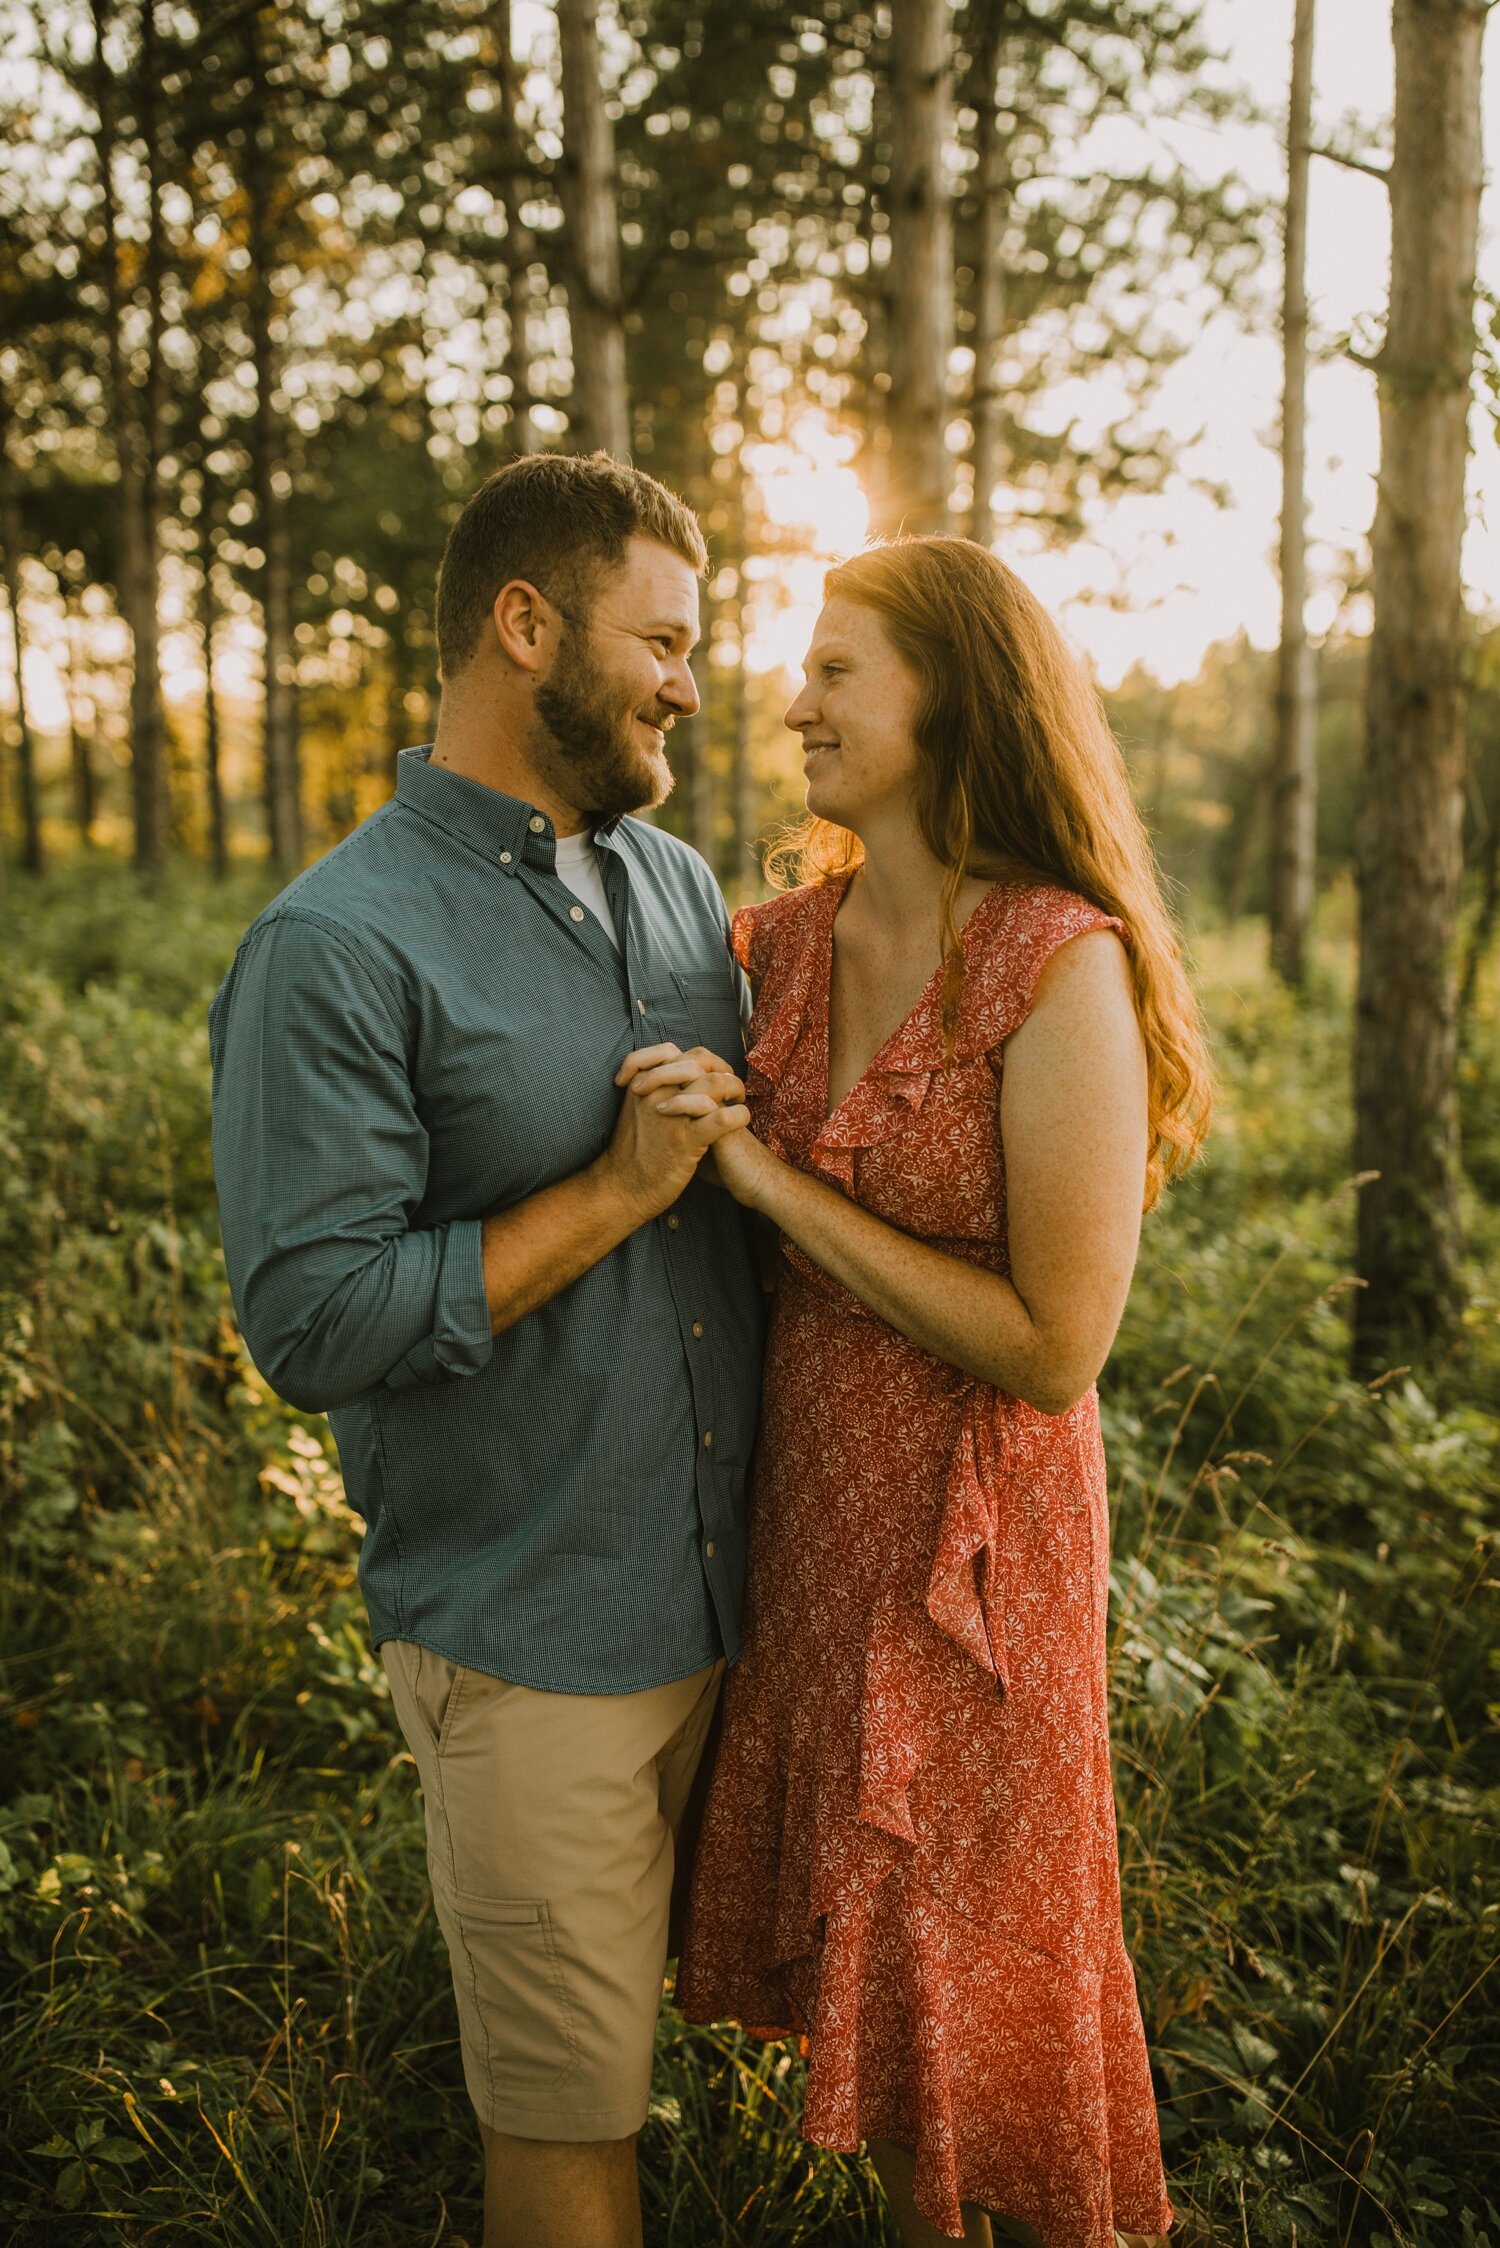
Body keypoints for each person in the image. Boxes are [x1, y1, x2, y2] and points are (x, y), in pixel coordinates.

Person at [208, 452, 765, 2248]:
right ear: (525, 628)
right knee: (570, 2130)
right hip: (535, 1653)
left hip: (747, 1617)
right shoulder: (335, 944)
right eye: (661, 640)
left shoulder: (681, 891)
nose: (692, 680)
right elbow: (316, 1321)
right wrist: (613, 1192)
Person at [630, 536, 1210, 2248]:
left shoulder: (1054, 958)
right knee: (895, 2019)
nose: (792, 701)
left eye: (836, 670)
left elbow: (1056, 1347)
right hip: (814, 1527)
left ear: (952, 697)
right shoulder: (774, 947)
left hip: (980, 1557)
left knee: (988, 1982)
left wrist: (779, 1190)